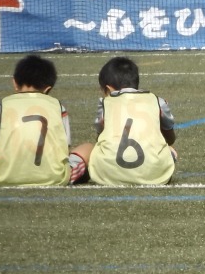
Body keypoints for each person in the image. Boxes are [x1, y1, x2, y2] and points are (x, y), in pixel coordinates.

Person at [70, 57, 178, 187]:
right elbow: (170, 139)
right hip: (152, 174)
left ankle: (72, 171)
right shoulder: (157, 101)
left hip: (108, 173)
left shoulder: (105, 103)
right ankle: (156, 172)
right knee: (170, 150)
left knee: (88, 148)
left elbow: (100, 138)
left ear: (108, 89)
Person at [0, 55, 80, 187]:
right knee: (86, 149)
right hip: (53, 177)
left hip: (4, 178)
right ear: (48, 89)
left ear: (15, 83)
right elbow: (65, 148)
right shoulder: (58, 106)